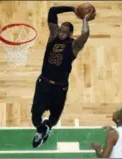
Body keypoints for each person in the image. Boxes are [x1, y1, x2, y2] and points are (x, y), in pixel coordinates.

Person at [31, 5, 96, 148]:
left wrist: (84, 19)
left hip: (59, 88)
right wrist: (72, 8)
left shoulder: (73, 46)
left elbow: (84, 35)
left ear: (70, 34)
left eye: (65, 32)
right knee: (35, 119)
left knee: (53, 120)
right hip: (44, 84)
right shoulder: (52, 37)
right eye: (60, 30)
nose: (61, 33)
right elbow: (52, 11)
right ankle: (42, 130)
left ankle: (47, 126)